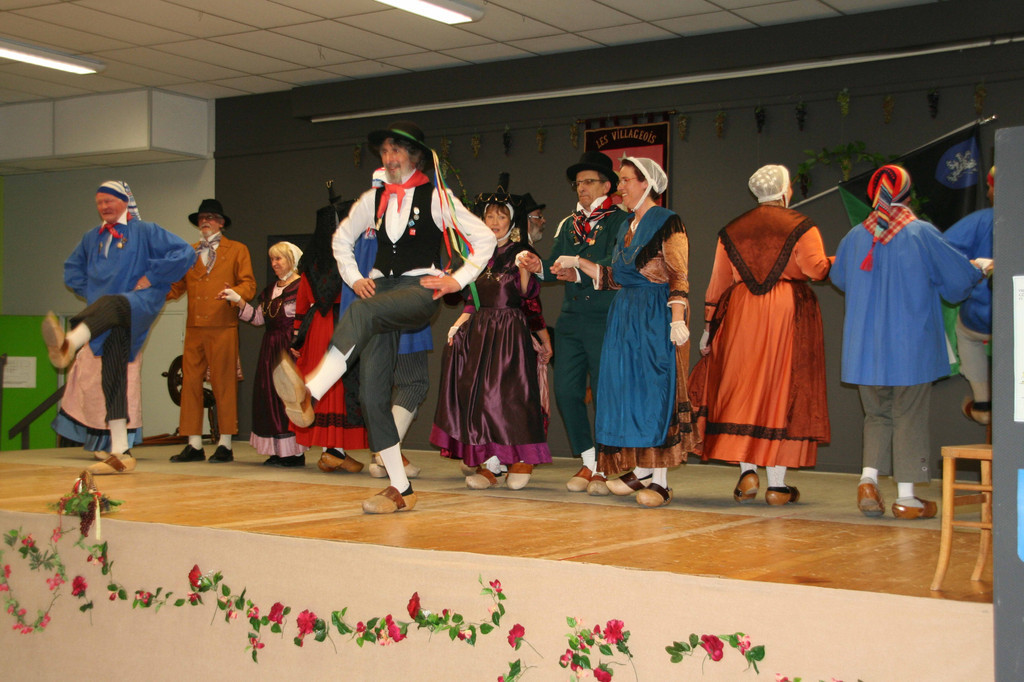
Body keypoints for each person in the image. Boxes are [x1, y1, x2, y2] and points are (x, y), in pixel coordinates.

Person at [273, 120, 496, 514]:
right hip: (379, 290)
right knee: (373, 395)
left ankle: (312, 392)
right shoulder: (372, 199)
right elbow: (340, 240)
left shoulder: (437, 197)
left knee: (361, 310)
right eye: (386, 152)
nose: (390, 158)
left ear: (414, 156)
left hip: (418, 290)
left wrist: (456, 280)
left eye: (397, 151)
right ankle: (400, 488)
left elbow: (485, 238)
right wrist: (354, 277)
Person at [832, 165, 984, 519]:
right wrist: (978, 269)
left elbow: (840, 278)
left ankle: (868, 480)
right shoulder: (920, 233)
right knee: (909, 415)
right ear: (908, 194)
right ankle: (907, 498)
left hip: (864, 349)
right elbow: (958, 281)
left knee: (876, 415)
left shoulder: (854, 236)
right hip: (910, 346)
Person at [689, 165, 832, 506]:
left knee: (743, 388)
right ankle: (777, 486)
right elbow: (816, 269)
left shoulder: (732, 230)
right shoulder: (802, 225)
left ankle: (747, 472)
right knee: (779, 391)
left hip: (740, 313)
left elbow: (718, 283)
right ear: (784, 191)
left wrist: (708, 328)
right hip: (786, 311)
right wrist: (837, 261)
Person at [566, 157, 696, 508]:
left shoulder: (667, 221)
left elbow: (678, 275)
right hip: (625, 315)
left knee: (655, 391)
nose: (620, 187)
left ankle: (661, 481)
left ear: (645, 183)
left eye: (625, 180)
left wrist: (677, 319)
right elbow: (615, 277)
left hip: (654, 313)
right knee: (627, 391)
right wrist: (578, 264)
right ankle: (642, 468)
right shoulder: (627, 225)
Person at [44, 180, 196, 474]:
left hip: (138, 303)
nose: (104, 207)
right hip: (103, 316)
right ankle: (120, 451)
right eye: (99, 203)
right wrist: (91, 292)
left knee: (113, 303)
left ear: (124, 202)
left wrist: (153, 277)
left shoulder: (146, 230)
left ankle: (70, 343)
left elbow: (184, 253)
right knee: (113, 375)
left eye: (109, 201)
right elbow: (72, 270)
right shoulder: (92, 238)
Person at [518, 151, 627, 495]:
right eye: (578, 183)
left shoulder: (621, 221)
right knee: (566, 391)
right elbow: (554, 264)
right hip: (571, 319)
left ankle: (609, 462)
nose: (581, 188)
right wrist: (538, 265)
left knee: (606, 392)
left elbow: (615, 264)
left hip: (606, 317)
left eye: (589, 181)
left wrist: (577, 269)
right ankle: (590, 459)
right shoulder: (569, 224)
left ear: (607, 186)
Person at [431, 184, 552, 489]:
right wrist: (459, 324)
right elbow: (472, 299)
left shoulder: (520, 252)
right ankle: (491, 463)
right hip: (481, 331)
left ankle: (520, 458)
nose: (495, 222)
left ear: (511, 221)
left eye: (501, 216)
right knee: (481, 399)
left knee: (510, 398)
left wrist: (525, 269)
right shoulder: (476, 255)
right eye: (490, 216)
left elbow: (527, 295)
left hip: (509, 332)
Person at [166, 199, 256, 464]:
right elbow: (176, 287)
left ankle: (225, 444)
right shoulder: (189, 252)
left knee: (224, 384)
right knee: (190, 384)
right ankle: (194, 444)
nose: (205, 221)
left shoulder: (237, 249)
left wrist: (234, 293)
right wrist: (150, 289)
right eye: (201, 217)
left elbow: (249, 285)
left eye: (211, 217)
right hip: (194, 327)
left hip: (222, 326)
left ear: (221, 223)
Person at [291, 201, 369, 473]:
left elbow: (302, 302)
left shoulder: (310, 260)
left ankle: (332, 449)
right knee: (340, 384)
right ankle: (334, 450)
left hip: (316, 327)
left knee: (323, 382)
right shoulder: (349, 257)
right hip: (343, 322)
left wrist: (298, 338)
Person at [221, 242, 306, 466]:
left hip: (290, 348)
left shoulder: (302, 287)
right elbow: (258, 318)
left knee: (288, 398)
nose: (274, 263)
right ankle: (278, 451)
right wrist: (237, 299)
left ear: (291, 260)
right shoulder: (270, 290)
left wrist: (301, 343)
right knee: (269, 398)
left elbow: (309, 318)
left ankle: (295, 453)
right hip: (270, 349)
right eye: (272, 259)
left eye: (279, 258)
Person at [945, 165, 995, 425]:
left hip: (980, 318)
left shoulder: (983, 220)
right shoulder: (984, 220)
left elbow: (942, 252)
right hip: (1007, 320)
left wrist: (971, 270)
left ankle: (982, 405)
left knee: (965, 334)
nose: (987, 193)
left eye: (989, 187)